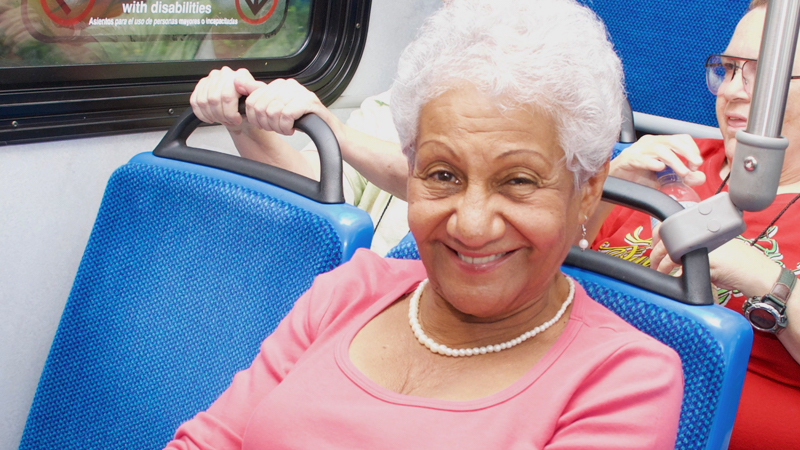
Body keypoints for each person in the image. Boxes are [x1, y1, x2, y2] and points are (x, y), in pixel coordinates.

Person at [165, 1, 684, 448]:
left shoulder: (624, 379)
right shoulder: (348, 291)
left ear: (587, 188)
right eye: (443, 174)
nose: (473, 225)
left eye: (519, 181)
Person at [589, 1, 800, 448]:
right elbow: (545, 271)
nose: (731, 91)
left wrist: (762, 277)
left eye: (763, 73)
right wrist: (601, 193)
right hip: (585, 398)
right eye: (727, 69)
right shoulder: (668, 161)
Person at [191, 68, 410, 255]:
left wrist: (338, 133)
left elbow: (437, 181)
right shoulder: (387, 105)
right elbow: (319, 186)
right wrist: (243, 121)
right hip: (355, 286)